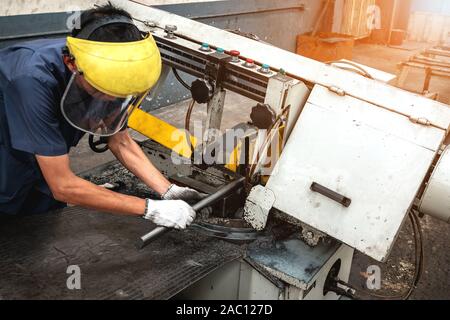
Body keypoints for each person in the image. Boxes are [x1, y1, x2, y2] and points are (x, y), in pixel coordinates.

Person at [0, 3, 204, 230]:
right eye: (101, 90)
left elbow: (120, 141)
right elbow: (63, 185)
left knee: (39, 226)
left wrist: (168, 191)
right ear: (71, 64)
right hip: (8, 154)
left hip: (41, 165)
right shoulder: (30, 80)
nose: (109, 101)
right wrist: (148, 208)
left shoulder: (115, 70)